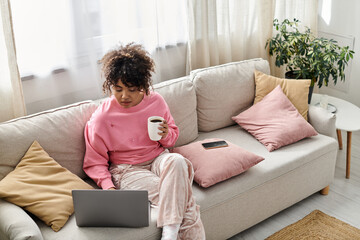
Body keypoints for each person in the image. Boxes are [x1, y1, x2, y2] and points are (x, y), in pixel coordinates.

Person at [83, 43, 205, 240]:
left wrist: (166, 134)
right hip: (127, 169)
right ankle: (170, 233)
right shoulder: (102, 118)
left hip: (159, 159)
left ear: (143, 86)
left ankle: (170, 233)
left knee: (178, 161)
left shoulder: (156, 101)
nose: (124, 96)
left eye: (131, 89)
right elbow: (94, 161)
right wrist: (109, 187)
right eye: (118, 88)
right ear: (110, 86)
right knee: (183, 198)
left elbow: (171, 138)